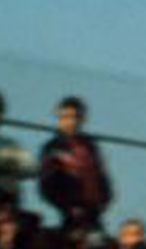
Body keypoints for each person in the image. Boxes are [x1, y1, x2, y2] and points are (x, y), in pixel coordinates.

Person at [39, 96, 112, 229]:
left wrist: (104, 201)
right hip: (70, 213)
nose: (70, 122)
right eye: (65, 117)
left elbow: (101, 175)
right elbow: (46, 184)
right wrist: (67, 207)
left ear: (82, 119)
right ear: (59, 119)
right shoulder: (53, 147)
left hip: (94, 213)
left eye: (74, 117)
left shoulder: (90, 145)